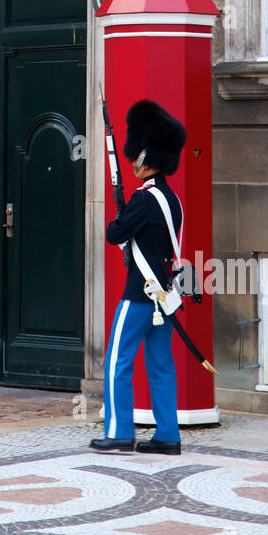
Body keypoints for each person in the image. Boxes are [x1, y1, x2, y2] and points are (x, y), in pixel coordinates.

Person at [90, 99, 186, 456]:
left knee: (118, 360)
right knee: (161, 364)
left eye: (136, 157)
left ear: (146, 157)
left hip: (139, 294)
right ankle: (167, 434)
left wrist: (121, 213)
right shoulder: (170, 198)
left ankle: (119, 430)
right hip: (163, 296)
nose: (132, 163)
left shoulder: (145, 199)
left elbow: (115, 233)